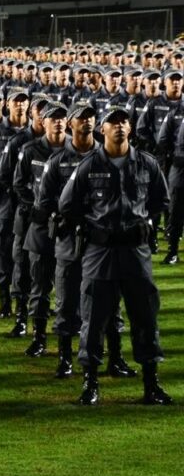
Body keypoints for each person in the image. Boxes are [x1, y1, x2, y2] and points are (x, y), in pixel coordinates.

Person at [58, 106, 173, 406]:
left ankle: (151, 383)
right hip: (101, 251)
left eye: (124, 122)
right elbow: (67, 205)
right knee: (94, 318)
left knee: (145, 317)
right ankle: (90, 383)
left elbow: (161, 200)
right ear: (102, 130)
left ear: (130, 128)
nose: (119, 126)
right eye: (113, 122)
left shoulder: (147, 164)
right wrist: (90, 225)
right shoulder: (88, 166)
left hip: (136, 251)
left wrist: (146, 222)